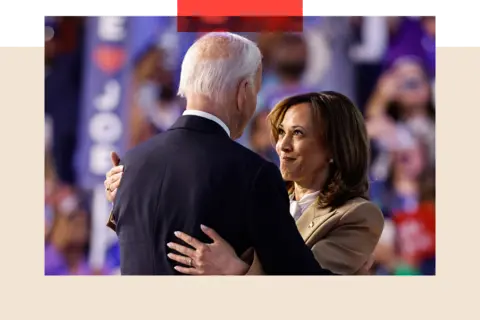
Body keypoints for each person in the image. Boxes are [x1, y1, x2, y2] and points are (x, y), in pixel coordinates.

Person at [105, 32, 334, 275]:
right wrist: (238, 271)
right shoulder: (254, 175)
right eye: (255, 92)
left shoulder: (127, 168)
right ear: (243, 93)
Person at [106, 91, 385, 275]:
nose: (282, 145)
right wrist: (132, 188)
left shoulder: (358, 216)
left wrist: (236, 270)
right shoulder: (260, 191)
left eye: (297, 133)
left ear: (335, 149)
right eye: (280, 133)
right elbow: (188, 215)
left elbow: (310, 285)